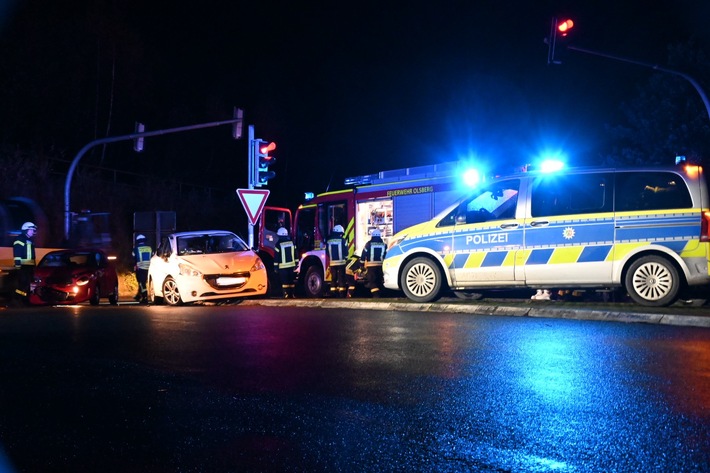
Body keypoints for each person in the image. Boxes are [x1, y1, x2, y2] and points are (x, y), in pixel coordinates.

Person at [12, 222, 37, 306]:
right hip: (23, 267)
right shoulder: (20, 239)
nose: (33, 232)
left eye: (33, 230)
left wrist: (34, 266)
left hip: (29, 267)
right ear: (26, 230)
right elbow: (17, 254)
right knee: (22, 285)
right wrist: (18, 266)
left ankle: (25, 299)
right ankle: (17, 298)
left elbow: (32, 256)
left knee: (28, 285)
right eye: (31, 230)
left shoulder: (30, 240)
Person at [360, 229, 387, 298]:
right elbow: (386, 254)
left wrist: (361, 264)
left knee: (372, 281)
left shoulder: (368, 244)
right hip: (381, 265)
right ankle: (381, 295)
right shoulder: (384, 244)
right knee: (379, 280)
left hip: (371, 266)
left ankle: (376, 295)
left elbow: (364, 254)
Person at [273, 227, 296, 298]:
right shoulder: (292, 243)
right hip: (292, 265)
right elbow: (296, 254)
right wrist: (297, 263)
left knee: (284, 281)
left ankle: (285, 294)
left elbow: (276, 257)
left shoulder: (278, 244)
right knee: (291, 280)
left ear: (279, 235)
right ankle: (292, 294)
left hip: (282, 267)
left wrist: (275, 267)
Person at [326, 224, 348, 297]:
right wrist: (346, 258)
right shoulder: (343, 240)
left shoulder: (329, 241)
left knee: (333, 278)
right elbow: (346, 251)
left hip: (332, 263)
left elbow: (327, 252)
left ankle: (333, 292)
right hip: (341, 262)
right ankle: (342, 293)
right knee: (341, 277)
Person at [132, 234, 152, 303]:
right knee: (143, 282)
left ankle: (145, 297)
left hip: (140, 268)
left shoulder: (136, 249)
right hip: (149, 268)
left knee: (141, 283)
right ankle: (138, 295)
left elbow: (134, 259)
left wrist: (134, 266)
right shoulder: (149, 248)